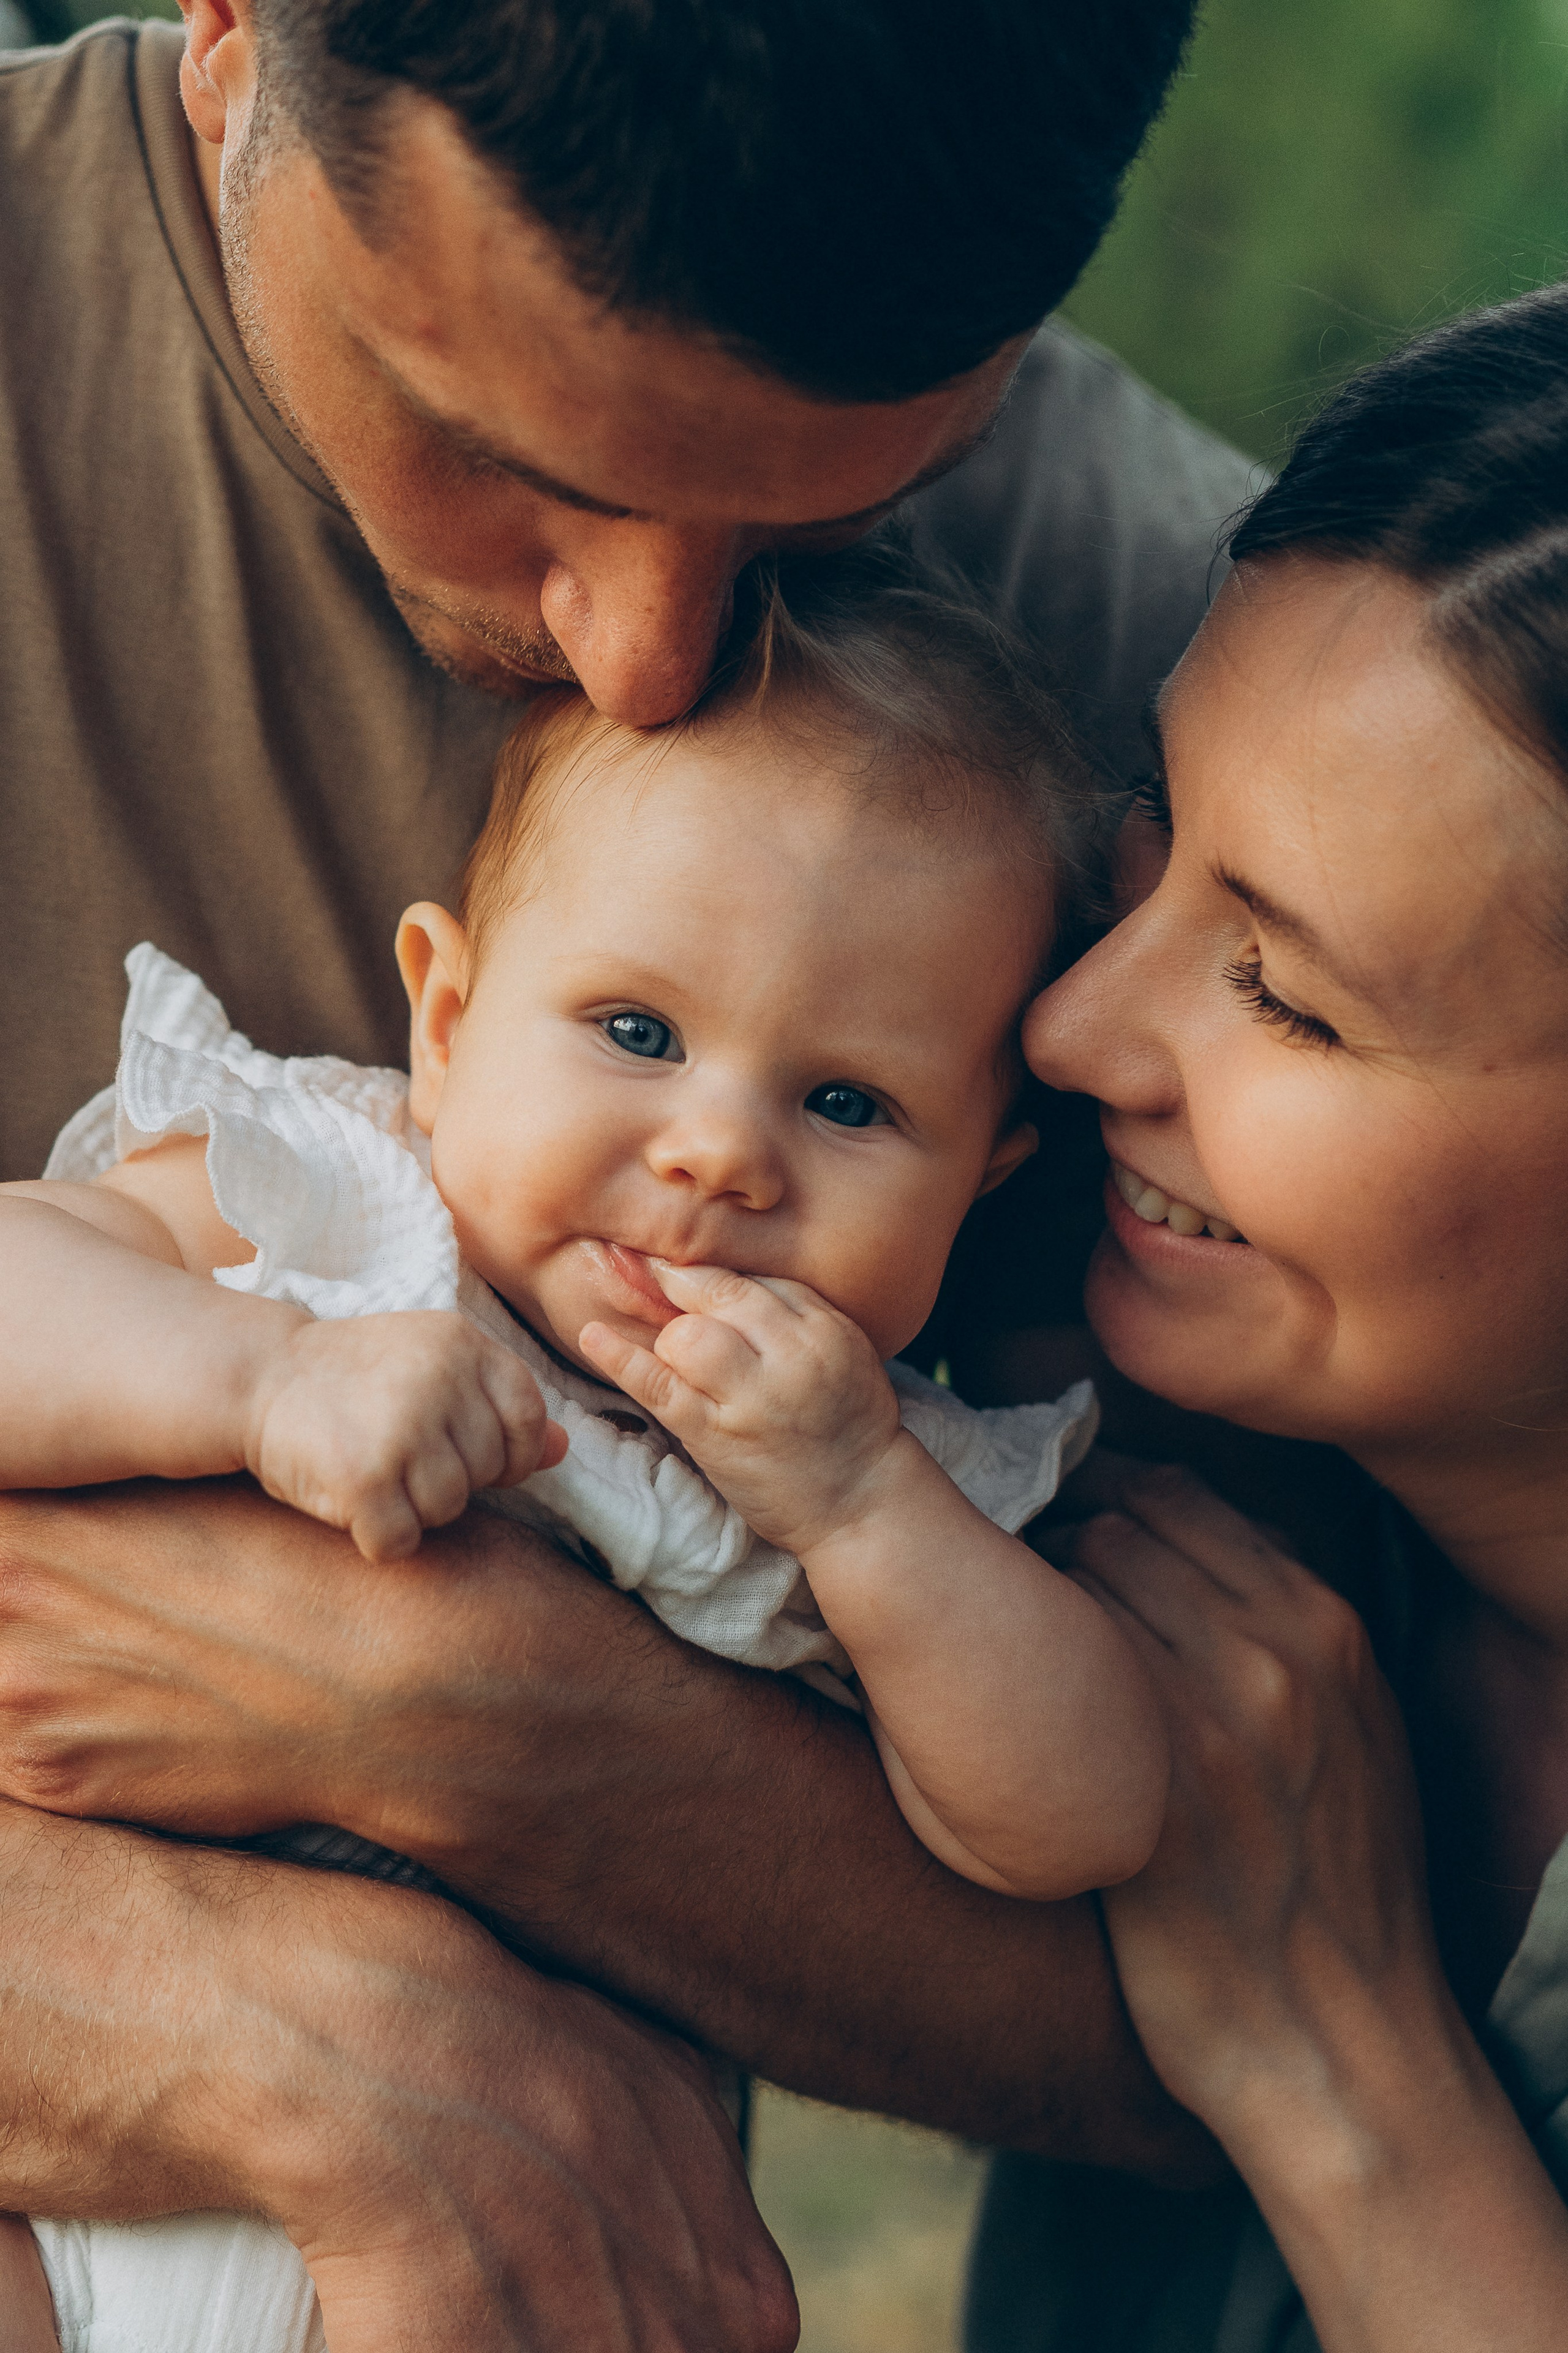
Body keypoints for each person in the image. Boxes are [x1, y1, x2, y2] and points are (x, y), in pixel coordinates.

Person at [0, 2, 1253, 2343]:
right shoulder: (336, 1187)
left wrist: (464, 1717)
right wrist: (206, 2012)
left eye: (830, 520)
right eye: (497, 453)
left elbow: (1280, 1966)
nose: (656, 659)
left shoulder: (1196, 667)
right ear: (229, 35)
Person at [971, 282, 1568, 2350]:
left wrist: (1346, 2076)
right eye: (1154, 840)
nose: (1073, 1026)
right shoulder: (1176, 1461)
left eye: (1286, 996)